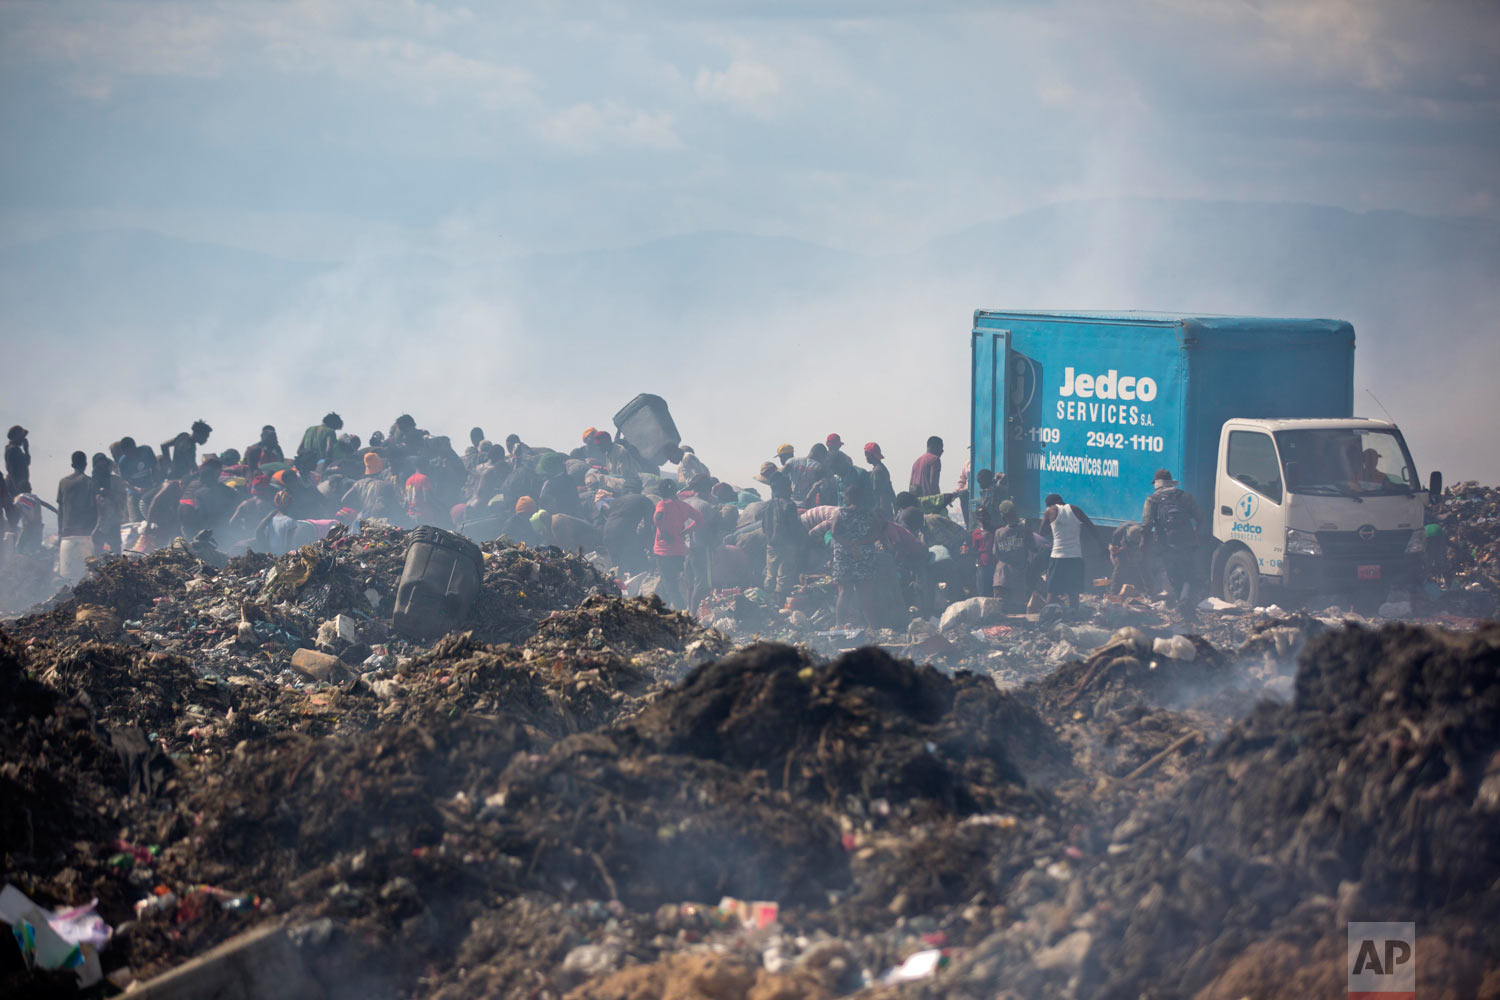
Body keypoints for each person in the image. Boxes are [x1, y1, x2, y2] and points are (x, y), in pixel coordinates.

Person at [812, 482, 881, 627]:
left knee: (844, 592)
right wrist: (860, 543)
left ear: (848, 497)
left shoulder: (841, 513)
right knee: (866, 593)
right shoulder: (870, 514)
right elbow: (876, 533)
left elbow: (835, 532)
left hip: (844, 555)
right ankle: (873, 626)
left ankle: (839, 626)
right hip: (865, 555)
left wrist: (850, 546)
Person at [1141, 469, 1202, 617]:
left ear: (1156, 483)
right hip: (1187, 542)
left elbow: (1147, 524)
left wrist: (1144, 544)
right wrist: (1195, 533)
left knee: (1173, 573)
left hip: (1166, 544)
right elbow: (1200, 517)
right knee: (1188, 573)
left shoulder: (1152, 500)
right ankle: (1184, 602)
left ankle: (1181, 603)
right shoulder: (1185, 496)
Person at [1042, 492, 1101, 612]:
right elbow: (1091, 526)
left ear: (1049, 505)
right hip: (1075, 557)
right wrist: (1102, 546)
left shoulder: (1049, 511)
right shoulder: (1076, 509)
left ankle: (1047, 619)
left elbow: (1042, 532)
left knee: (1051, 593)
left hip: (1058, 557)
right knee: (1073, 594)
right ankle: (1074, 618)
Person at [651, 480, 701, 609]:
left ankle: (682, 613)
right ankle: (659, 609)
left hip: (663, 551)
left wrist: (662, 530)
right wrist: (686, 530)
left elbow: (658, 517)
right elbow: (700, 519)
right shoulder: (684, 506)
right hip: (679, 551)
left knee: (671, 587)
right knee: (667, 583)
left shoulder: (663, 504)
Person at [756, 462, 801, 599]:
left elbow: (764, 527)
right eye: (789, 487)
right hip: (787, 545)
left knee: (770, 576)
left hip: (771, 545)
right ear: (785, 488)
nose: (791, 490)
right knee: (784, 579)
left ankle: (768, 606)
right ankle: (779, 607)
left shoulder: (767, 506)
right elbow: (794, 529)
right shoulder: (790, 505)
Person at [56, 451, 97, 580]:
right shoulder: (89, 482)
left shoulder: (63, 483)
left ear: (72, 464)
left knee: (68, 578)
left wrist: (60, 533)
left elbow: (61, 511)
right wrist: (92, 531)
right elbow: (94, 510)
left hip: (67, 537)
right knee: (87, 577)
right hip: (85, 535)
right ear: (86, 464)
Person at [991, 501, 1037, 612]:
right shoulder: (1025, 530)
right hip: (1019, 576)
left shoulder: (998, 532)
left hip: (1001, 576)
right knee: (1018, 609)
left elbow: (995, 553)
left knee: (1001, 610)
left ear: (1002, 516)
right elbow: (1032, 548)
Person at [91, 453, 128, 556]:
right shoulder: (90, 482)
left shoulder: (115, 481)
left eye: (104, 466)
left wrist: (110, 494)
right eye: (99, 466)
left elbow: (123, 499)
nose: (102, 469)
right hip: (96, 524)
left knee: (116, 549)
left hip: (113, 521)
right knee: (97, 549)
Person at [864, 442, 895, 517]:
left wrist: (879, 513)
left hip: (881, 511)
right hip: (886, 509)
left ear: (871, 455)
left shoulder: (877, 472)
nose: (865, 456)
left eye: (866, 454)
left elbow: (878, 493)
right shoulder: (881, 468)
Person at [5, 425, 31, 493]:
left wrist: (26, 449)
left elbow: (27, 463)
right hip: (15, 488)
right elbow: (11, 470)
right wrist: (17, 489)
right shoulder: (12, 449)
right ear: (16, 436)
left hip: (19, 487)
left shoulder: (16, 449)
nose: (23, 439)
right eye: (21, 436)